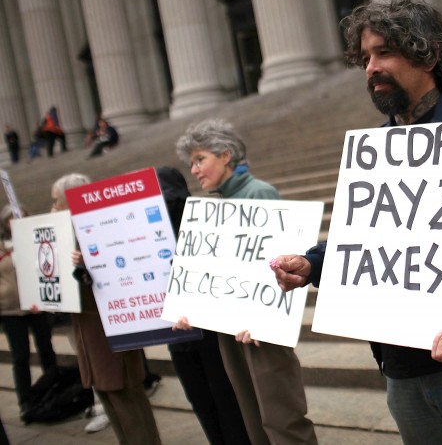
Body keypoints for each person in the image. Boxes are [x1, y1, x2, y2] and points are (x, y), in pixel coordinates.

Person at [270, 0, 442, 445]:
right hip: (402, 374)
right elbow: (364, 242)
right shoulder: (374, 153)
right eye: (365, 57)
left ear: (428, 54)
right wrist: (312, 264)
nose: (370, 67)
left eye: (384, 53)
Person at [174, 119, 317, 445]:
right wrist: (190, 309)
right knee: (253, 422)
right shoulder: (216, 206)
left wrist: (262, 319)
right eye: (191, 163)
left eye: (200, 160)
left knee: (282, 422)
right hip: (232, 331)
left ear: (225, 155)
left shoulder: (259, 192)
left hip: (262, 333)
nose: (194, 170)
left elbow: (284, 266)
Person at [51, 173, 162, 444]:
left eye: (56, 202)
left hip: (110, 329)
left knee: (126, 399)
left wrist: (86, 266)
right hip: (89, 332)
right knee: (109, 396)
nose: (52, 208)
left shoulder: (104, 230)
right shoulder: (66, 237)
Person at [157, 165, 251, 445]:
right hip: (195, 329)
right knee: (222, 398)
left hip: (192, 330)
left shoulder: (196, 220)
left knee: (209, 399)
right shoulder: (187, 219)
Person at [0, 205, 58, 416]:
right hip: (11, 311)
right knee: (20, 355)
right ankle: (25, 401)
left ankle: (52, 389)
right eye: (11, 219)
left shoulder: (35, 241)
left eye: (21, 217)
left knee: (46, 349)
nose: (16, 222)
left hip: (36, 306)